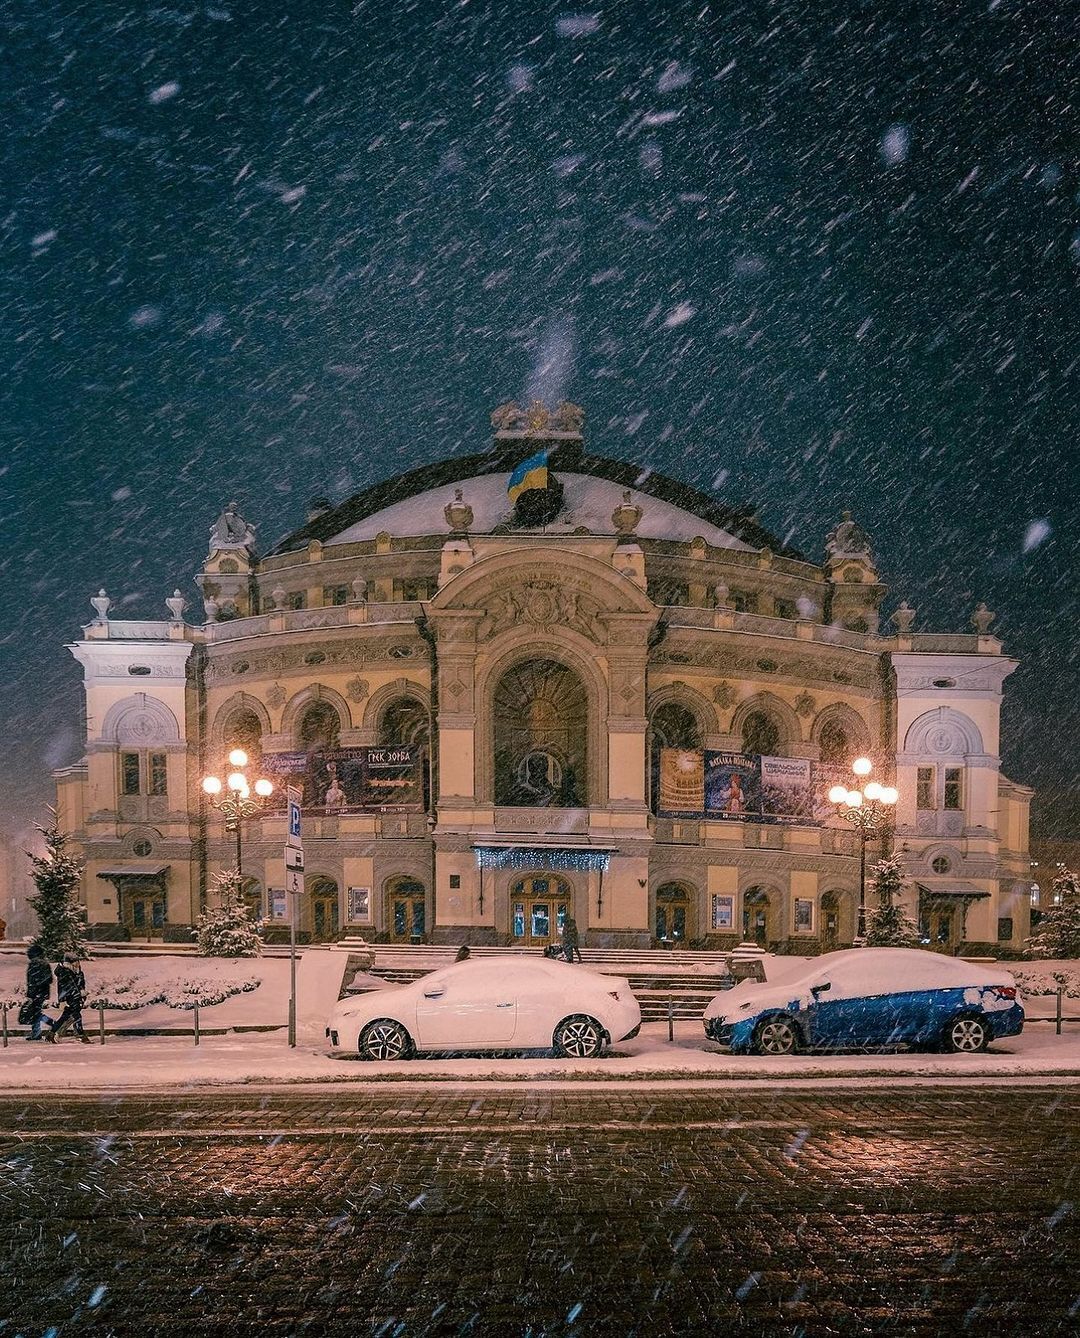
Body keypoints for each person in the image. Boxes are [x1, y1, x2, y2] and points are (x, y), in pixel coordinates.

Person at [51, 955, 92, 1044]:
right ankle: (80, 1036)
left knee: (65, 1016)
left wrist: (82, 993)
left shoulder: (78, 972)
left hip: (77, 998)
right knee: (77, 1016)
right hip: (70, 998)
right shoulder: (64, 972)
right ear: (69, 962)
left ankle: (51, 1033)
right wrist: (63, 1000)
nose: (78, 963)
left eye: (78, 961)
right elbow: (63, 988)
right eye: (75, 961)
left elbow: (81, 984)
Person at [24, 942, 54, 1041]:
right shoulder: (43, 964)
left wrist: (34, 988)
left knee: (35, 1013)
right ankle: (37, 1032)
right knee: (35, 1013)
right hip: (40, 992)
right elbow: (48, 979)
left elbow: (32, 981)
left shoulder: (35, 964)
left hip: (37, 993)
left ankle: (51, 1024)